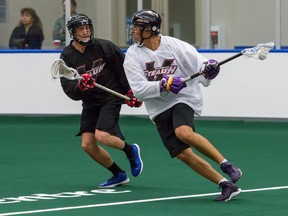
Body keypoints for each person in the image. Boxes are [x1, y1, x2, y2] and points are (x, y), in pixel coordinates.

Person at [123, 9, 243, 202]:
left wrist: (210, 69)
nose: (134, 31)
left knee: (183, 132)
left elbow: (202, 65)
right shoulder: (132, 55)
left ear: (152, 29)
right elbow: (138, 90)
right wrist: (163, 84)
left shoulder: (174, 45)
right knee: (183, 154)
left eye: (139, 27)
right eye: (135, 27)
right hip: (158, 108)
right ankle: (225, 185)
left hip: (183, 97)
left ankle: (226, 164)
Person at [58, 14, 143, 188]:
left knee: (102, 136)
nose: (85, 31)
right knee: (88, 145)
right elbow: (69, 89)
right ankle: (118, 174)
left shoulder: (104, 47)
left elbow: (124, 69)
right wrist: (82, 86)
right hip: (90, 102)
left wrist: (130, 92)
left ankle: (130, 150)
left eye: (87, 27)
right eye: (80, 29)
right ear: (72, 32)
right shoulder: (67, 56)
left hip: (110, 97)